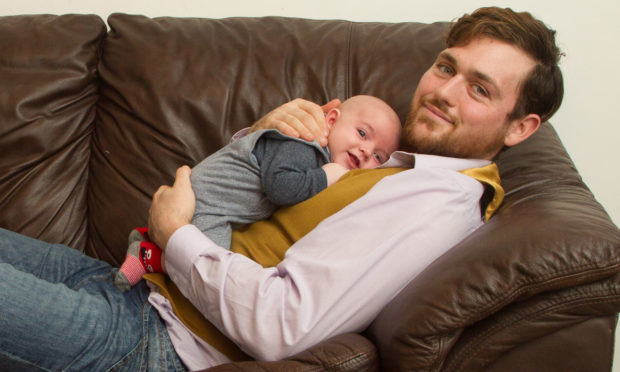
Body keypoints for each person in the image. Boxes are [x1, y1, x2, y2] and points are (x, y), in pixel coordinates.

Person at [0, 7, 564, 371]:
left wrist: (176, 236)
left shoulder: (438, 203)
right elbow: (258, 194)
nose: (444, 91)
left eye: (480, 89)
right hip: (131, 286)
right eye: (446, 67)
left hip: (153, 341)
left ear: (520, 127)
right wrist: (267, 136)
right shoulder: (398, 162)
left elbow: (281, 326)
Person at [114, 95, 401, 291]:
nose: (366, 151)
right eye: (362, 134)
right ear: (331, 120)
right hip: (207, 204)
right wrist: (327, 176)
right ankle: (150, 255)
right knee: (208, 275)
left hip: (210, 201)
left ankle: (144, 241)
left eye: (379, 156)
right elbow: (282, 189)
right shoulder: (303, 146)